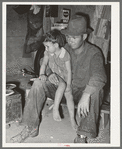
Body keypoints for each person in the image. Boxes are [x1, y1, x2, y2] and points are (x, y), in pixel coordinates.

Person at [10, 14, 107, 143]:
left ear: (84, 36)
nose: (70, 40)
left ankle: (82, 136)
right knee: (39, 83)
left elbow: (100, 76)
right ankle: (31, 127)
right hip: (61, 89)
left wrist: (86, 94)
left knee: (96, 91)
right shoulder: (65, 48)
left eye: (74, 37)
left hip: (80, 93)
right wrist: (50, 74)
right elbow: (45, 61)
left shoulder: (94, 52)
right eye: (68, 36)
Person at [39, 29, 77, 129]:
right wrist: (42, 74)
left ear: (55, 45)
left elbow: (68, 71)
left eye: (47, 46)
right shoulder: (47, 52)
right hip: (56, 75)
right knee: (59, 84)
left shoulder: (65, 54)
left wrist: (68, 85)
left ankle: (72, 119)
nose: (45, 49)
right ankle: (55, 107)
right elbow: (44, 63)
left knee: (68, 95)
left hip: (65, 77)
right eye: (45, 46)